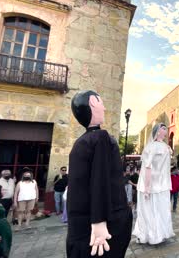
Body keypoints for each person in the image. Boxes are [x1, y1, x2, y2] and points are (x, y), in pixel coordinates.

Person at [68, 90, 132, 257]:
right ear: (93, 104)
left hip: (81, 223)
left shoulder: (81, 142)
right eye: (101, 103)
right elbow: (100, 180)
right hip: (105, 224)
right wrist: (99, 222)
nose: (104, 108)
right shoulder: (101, 138)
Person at [133, 123, 175, 245]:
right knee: (148, 212)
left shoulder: (165, 146)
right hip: (151, 185)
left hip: (162, 184)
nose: (165, 129)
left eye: (165, 127)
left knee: (161, 211)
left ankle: (160, 234)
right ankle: (148, 235)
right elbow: (148, 167)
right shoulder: (152, 147)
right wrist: (146, 189)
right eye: (162, 128)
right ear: (157, 132)